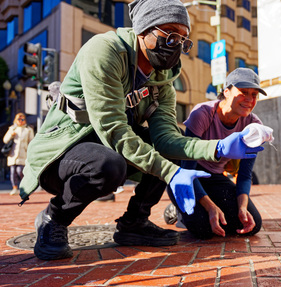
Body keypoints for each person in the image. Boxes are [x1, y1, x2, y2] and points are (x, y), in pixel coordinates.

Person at [19, 0, 263, 260]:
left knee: (165, 150)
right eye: (169, 33)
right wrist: (172, 173)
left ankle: (134, 223)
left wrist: (217, 147)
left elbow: (167, 140)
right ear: (143, 30)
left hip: (106, 149)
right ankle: (54, 219)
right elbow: (113, 130)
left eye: (183, 39)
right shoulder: (104, 51)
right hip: (63, 152)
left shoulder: (163, 79)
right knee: (108, 165)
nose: (176, 44)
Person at [166, 68, 266, 239]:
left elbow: (244, 175)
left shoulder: (253, 124)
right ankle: (177, 208)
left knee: (252, 223)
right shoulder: (202, 113)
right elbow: (187, 167)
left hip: (215, 177)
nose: (249, 99)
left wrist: (242, 208)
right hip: (189, 174)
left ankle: (207, 205)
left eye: (254, 94)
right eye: (243, 92)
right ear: (226, 91)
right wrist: (210, 207)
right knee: (203, 229)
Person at [2, 113, 34, 195]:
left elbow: (32, 141)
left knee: (20, 171)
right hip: (13, 154)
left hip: (23, 153)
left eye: (22, 119)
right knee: (13, 172)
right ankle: (14, 188)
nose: (20, 121)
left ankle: (24, 186)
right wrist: (11, 135)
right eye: (19, 119)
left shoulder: (28, 130)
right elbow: (5, 140)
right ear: (15, 120)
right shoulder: (12, 129)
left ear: (25, 121)